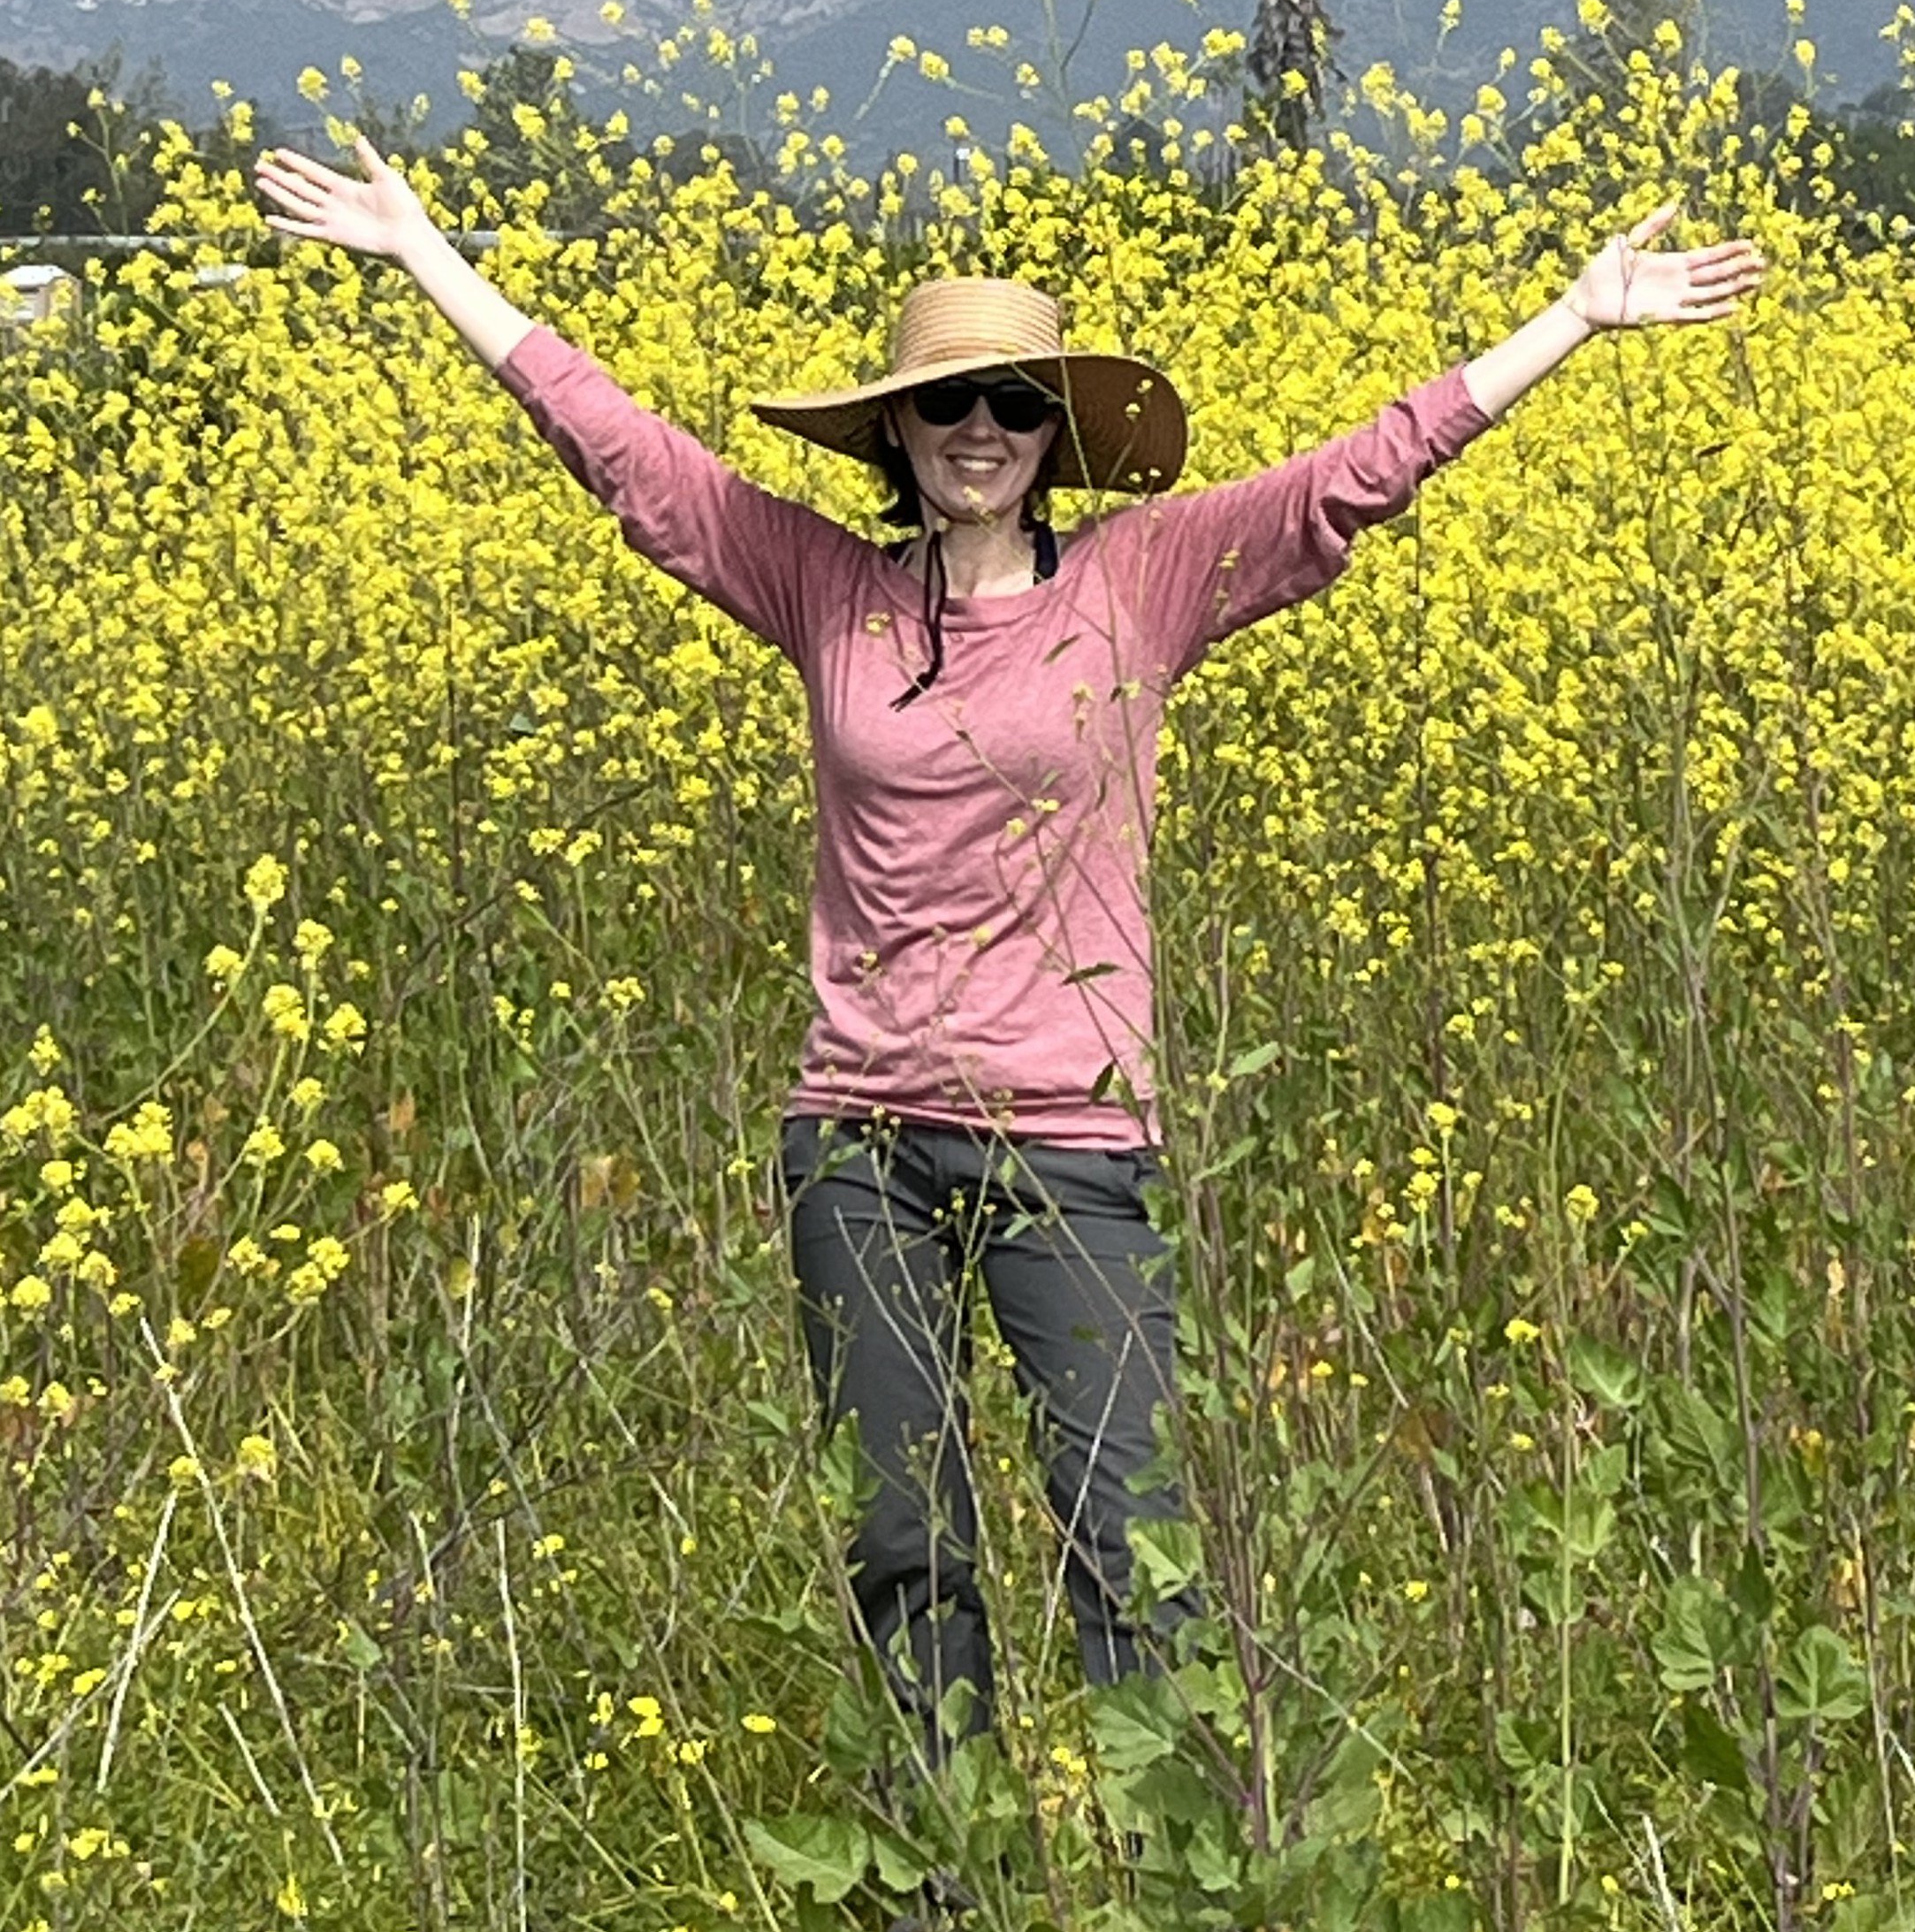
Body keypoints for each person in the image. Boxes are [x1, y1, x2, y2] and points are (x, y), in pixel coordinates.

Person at [255, 138, 1763, 1774]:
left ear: (1058, 436)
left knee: (1131, 1543)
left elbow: (1361, 472)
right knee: (904, 1546)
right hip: (862, 1144)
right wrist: (426, 253)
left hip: (1072, 1138)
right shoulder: (822, 587)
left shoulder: (1141, 582)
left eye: (1019, 408)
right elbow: (627, 455)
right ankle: (940, 1879)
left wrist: (1572, 317)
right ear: (895, 429)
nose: (983, 434)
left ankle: (1167, 1873)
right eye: (949, 406)